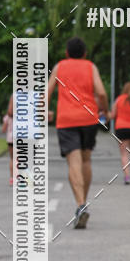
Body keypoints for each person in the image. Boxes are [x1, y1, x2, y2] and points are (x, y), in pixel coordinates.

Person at [47, 37, 109, 229]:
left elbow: (47, 93)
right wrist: (104, 111)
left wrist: (45, 111)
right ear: (85, 53)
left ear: (66, 53)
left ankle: (80, 204)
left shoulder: (59, 67)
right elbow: (101, 93)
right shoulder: (91, 67)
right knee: (86, 160)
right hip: (89, 118)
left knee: (74, 162)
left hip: (66, 120)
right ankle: (83, 202)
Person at [2, 94, 14, 185]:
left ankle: (12, 178)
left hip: (12, 136)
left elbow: (3, 129)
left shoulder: (7, 117)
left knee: (13, 158)